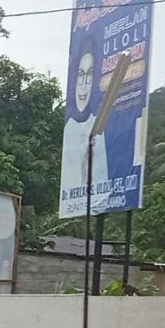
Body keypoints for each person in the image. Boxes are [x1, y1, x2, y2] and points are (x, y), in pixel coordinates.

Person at [59, 37, 109, 217]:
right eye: (80, 74)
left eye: (90, 75)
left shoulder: (99, 129)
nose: (84, 85)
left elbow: (101, 194)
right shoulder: (68, 130)